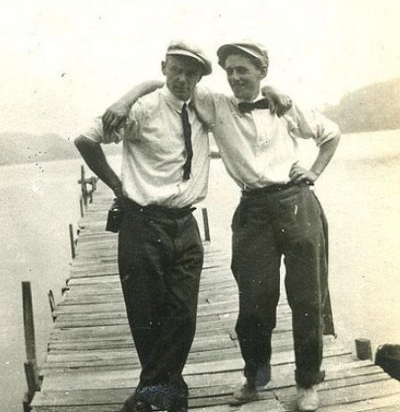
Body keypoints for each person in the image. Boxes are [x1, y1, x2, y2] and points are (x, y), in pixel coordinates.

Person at [102, 41, 340, 412]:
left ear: (262, 71)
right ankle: (254, 375)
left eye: (243, 69)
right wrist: (128, 95)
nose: (234, 77)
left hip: (296, 204)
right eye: (229, 70)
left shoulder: (285, 105)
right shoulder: (216, 105)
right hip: (253, 211)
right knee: (254, 303)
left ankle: (308, 381)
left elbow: (330, 134)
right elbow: (173, 84)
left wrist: (314, 172)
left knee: (307, 298)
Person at [74, 41, 213, 412]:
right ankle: (168, 392)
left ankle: (150, 392)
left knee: (183, 315)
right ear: (164, 68)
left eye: (191, 73)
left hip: (185, 224)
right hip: (142, 225)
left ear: (200, 78)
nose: (183, 79)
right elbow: (85, 138)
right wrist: (115, 184)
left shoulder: (203, 107)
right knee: (147, 316)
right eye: (176, 70)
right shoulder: (143, 109)